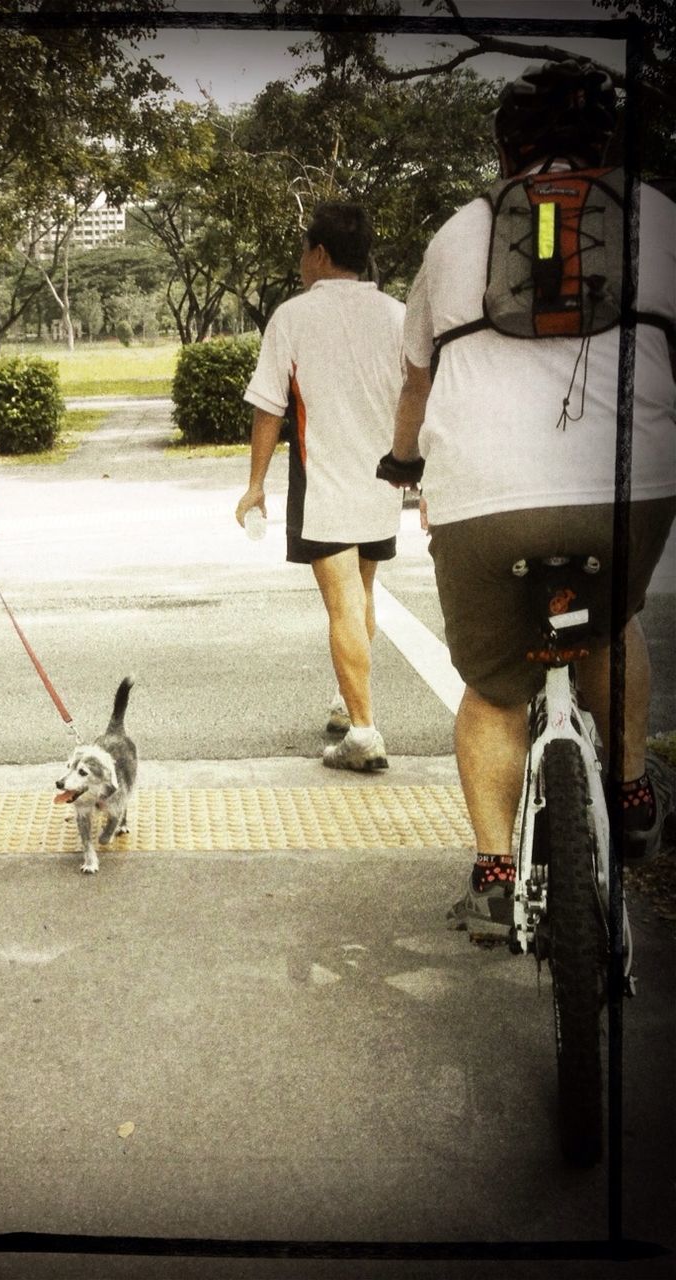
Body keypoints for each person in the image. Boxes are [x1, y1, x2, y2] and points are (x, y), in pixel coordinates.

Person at [380, 59, 676, 938]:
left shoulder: (456, 235)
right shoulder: (658, 217)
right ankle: (628, 792)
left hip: (482, 500)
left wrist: (403, 466)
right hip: (632, 486)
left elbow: (416, 385)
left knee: (494, 691)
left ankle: (495, 876)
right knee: (611, 622)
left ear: (507, 151)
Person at [235, 202, 406, 771]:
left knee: (342, 608)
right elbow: (419, 397)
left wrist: (255, 485)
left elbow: (268, 408)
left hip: (325, 484)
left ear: (322, 254)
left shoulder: (293, 316)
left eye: (306, 252)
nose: (303, 262)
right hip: (383, 482)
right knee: (361, 597)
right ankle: (346, 701)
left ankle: (362, 732)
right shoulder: (397, 315)